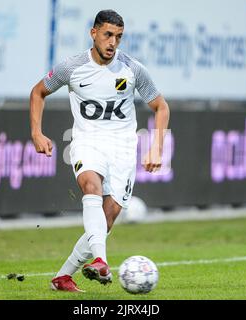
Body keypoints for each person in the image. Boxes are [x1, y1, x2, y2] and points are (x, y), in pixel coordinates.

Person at [29, 9, 170, 292]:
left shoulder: (132, 70)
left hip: (123, 148)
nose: (112, 42)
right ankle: (101, 260)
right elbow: (38, 93)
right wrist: (36, 132)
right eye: (107, 35)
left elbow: (161, 107)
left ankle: (63, 277)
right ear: (93, 33)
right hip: (86, 141)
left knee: (107, 219)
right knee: (90, 185)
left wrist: (156, 148)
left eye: (118, 37)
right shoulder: (72, 67)